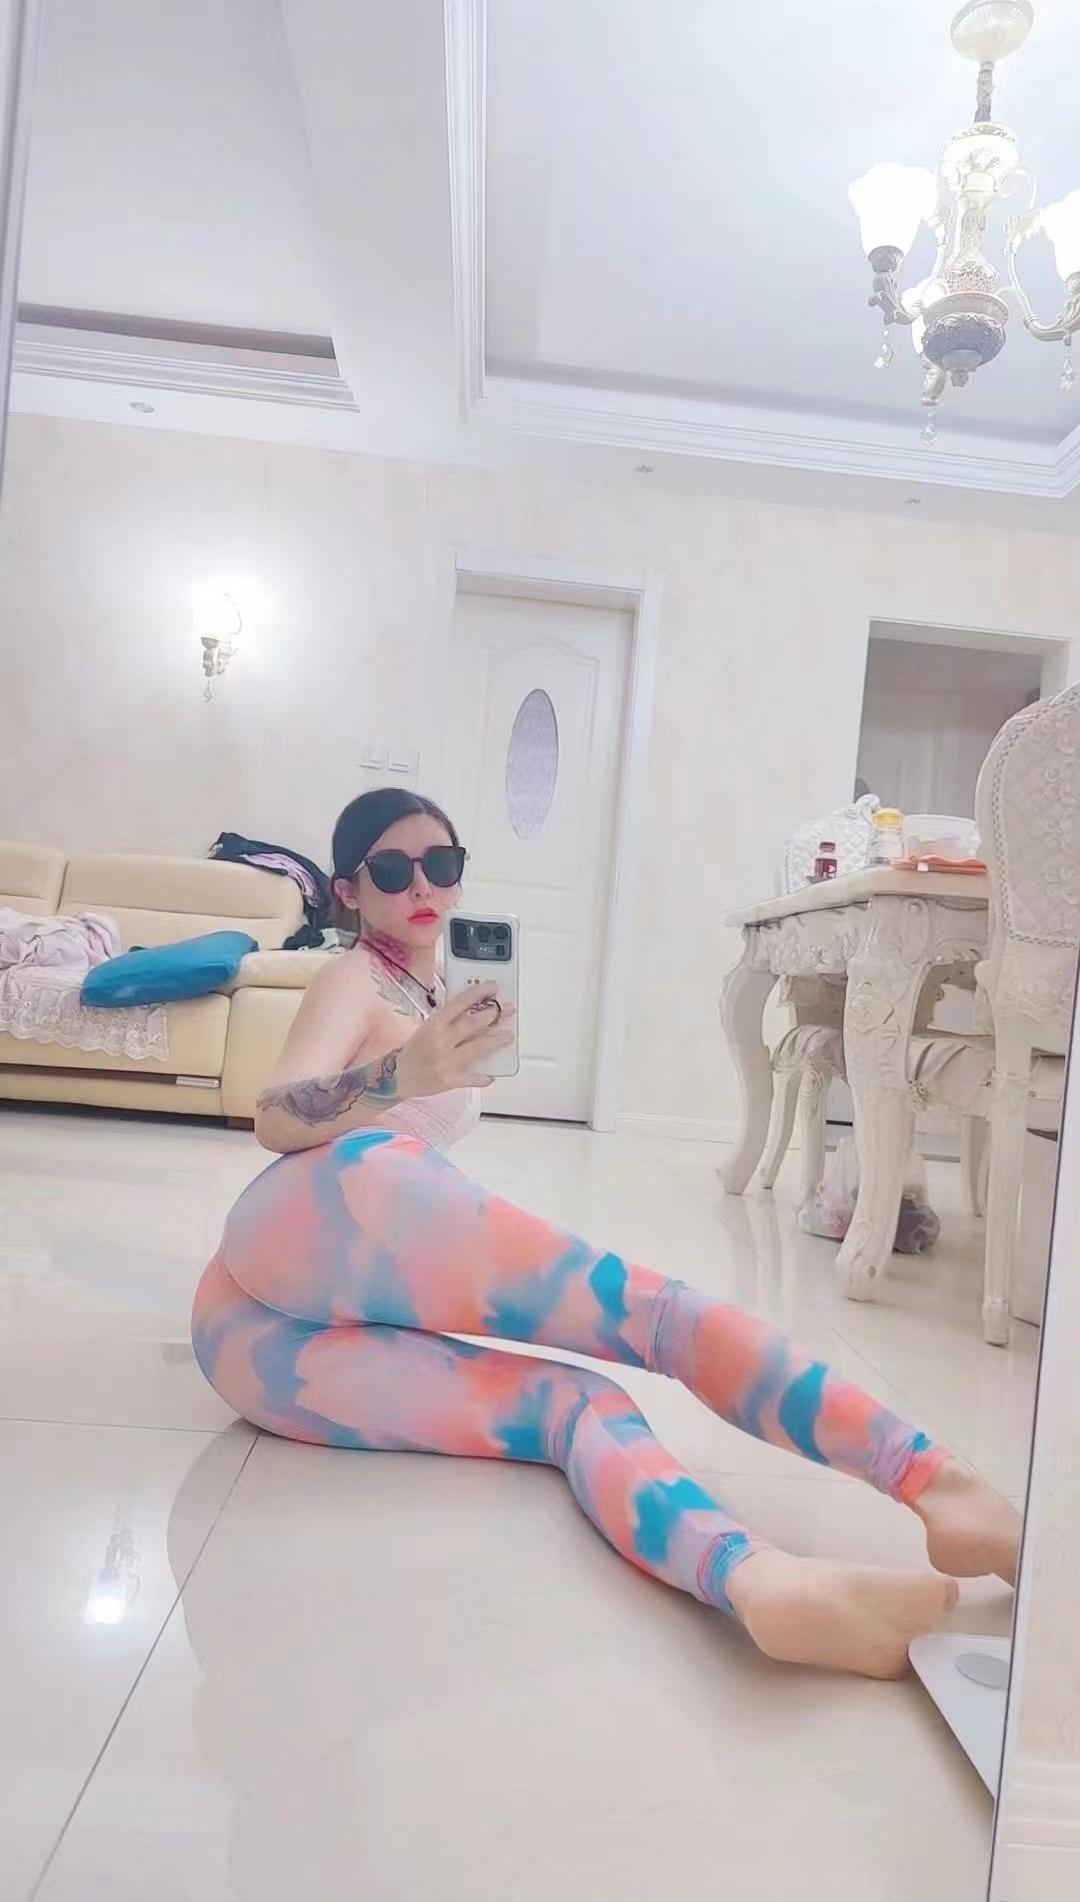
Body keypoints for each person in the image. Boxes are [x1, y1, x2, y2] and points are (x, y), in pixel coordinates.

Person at [192, 787, 1020, 1680]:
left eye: (442, 863)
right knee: (653, 1317)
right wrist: (401, 1071)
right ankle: (935, 1480)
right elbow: (275, 1117)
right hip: (318, 1216)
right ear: (350, 891)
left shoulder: (441, 990)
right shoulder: (351, 979)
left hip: (254, 1354)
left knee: (570, 1405)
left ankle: (758, 1581)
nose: (420, 886)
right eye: (390, 871)